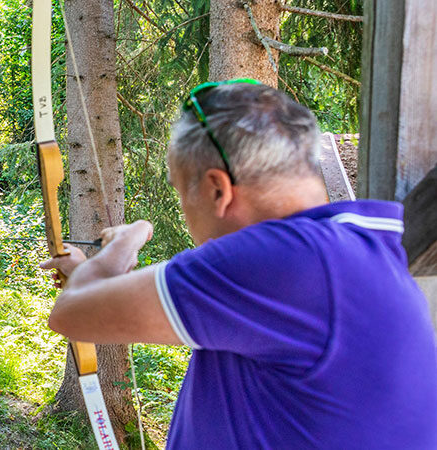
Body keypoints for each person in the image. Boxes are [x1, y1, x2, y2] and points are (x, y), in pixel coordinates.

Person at [41, 80, 437, 448]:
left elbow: (71, 315)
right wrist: (87, 274)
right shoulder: (341, 255)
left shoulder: (285, 260)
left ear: (218, 189)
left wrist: (127, 241)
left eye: (183, 195)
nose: (184, 211)